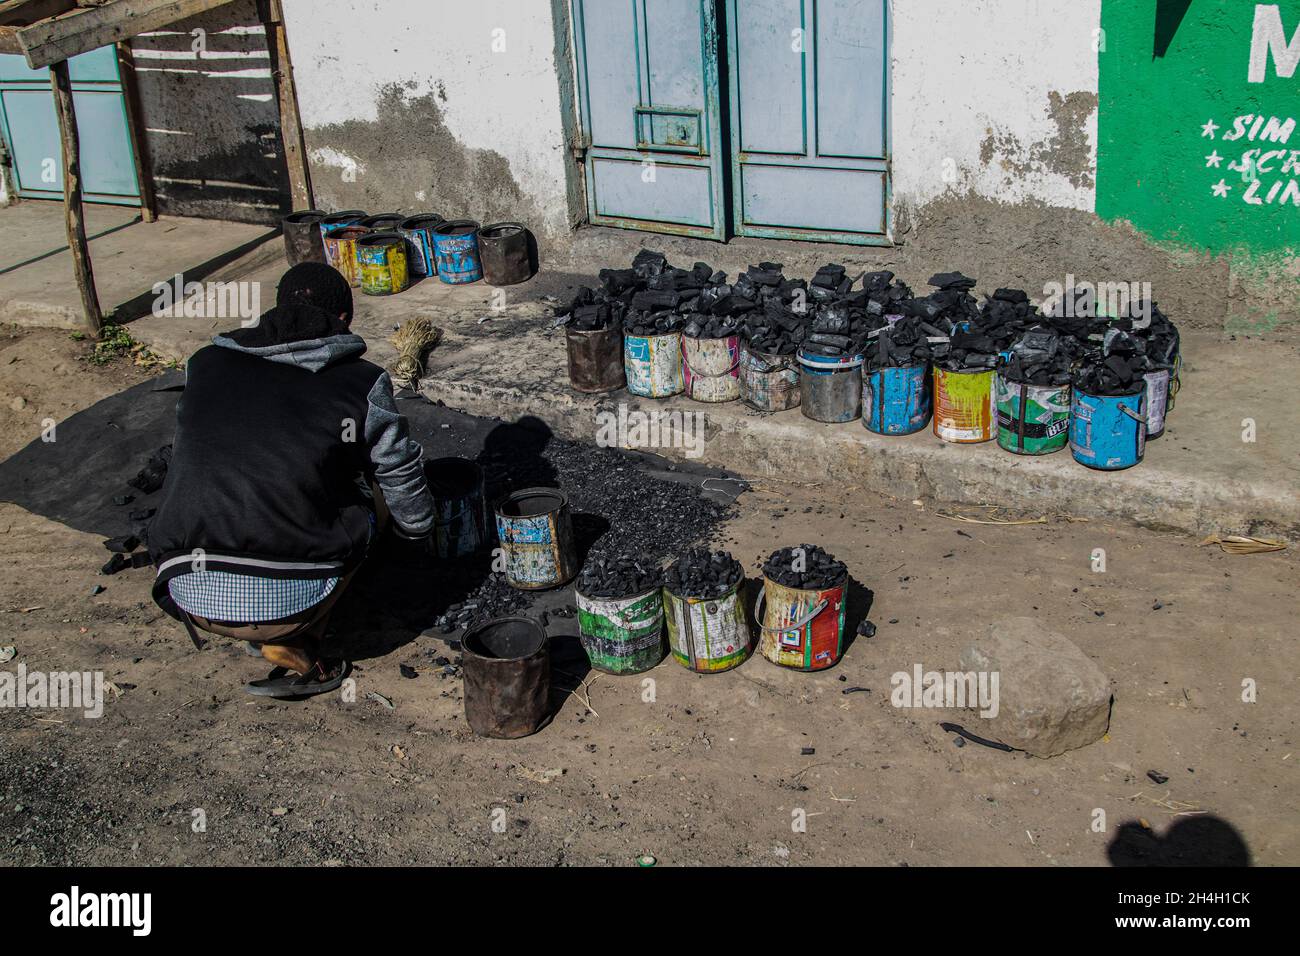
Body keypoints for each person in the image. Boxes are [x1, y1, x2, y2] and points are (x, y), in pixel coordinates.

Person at [149, 262, 434, 698]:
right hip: (287, 601)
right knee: (371, 500)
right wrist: (418, 532)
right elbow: (396, 468)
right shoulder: (361, 381)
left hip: (185, 585)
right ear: (343, 321)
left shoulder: (205, 364)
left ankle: (252, 619)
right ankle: (297, 644)